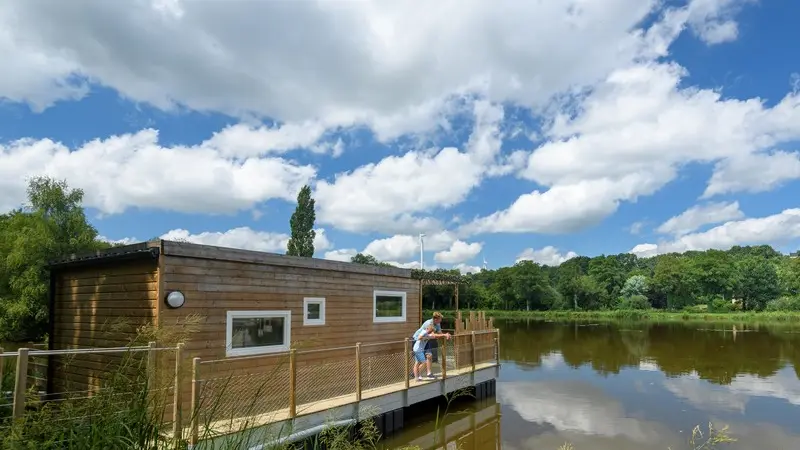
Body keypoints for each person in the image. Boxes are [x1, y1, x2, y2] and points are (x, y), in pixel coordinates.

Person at [410, 312, 451, 379]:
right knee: (419, 360)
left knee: (429, 356)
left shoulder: (438, 324)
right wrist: (444, 335)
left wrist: (446, 336)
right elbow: (433, 335)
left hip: (426, 341)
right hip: (417, 340)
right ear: (436, 319)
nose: (441, 320)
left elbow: (439, 333)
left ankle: (428, 373)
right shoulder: (428, 323)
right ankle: (415, 373)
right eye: (440, 319)